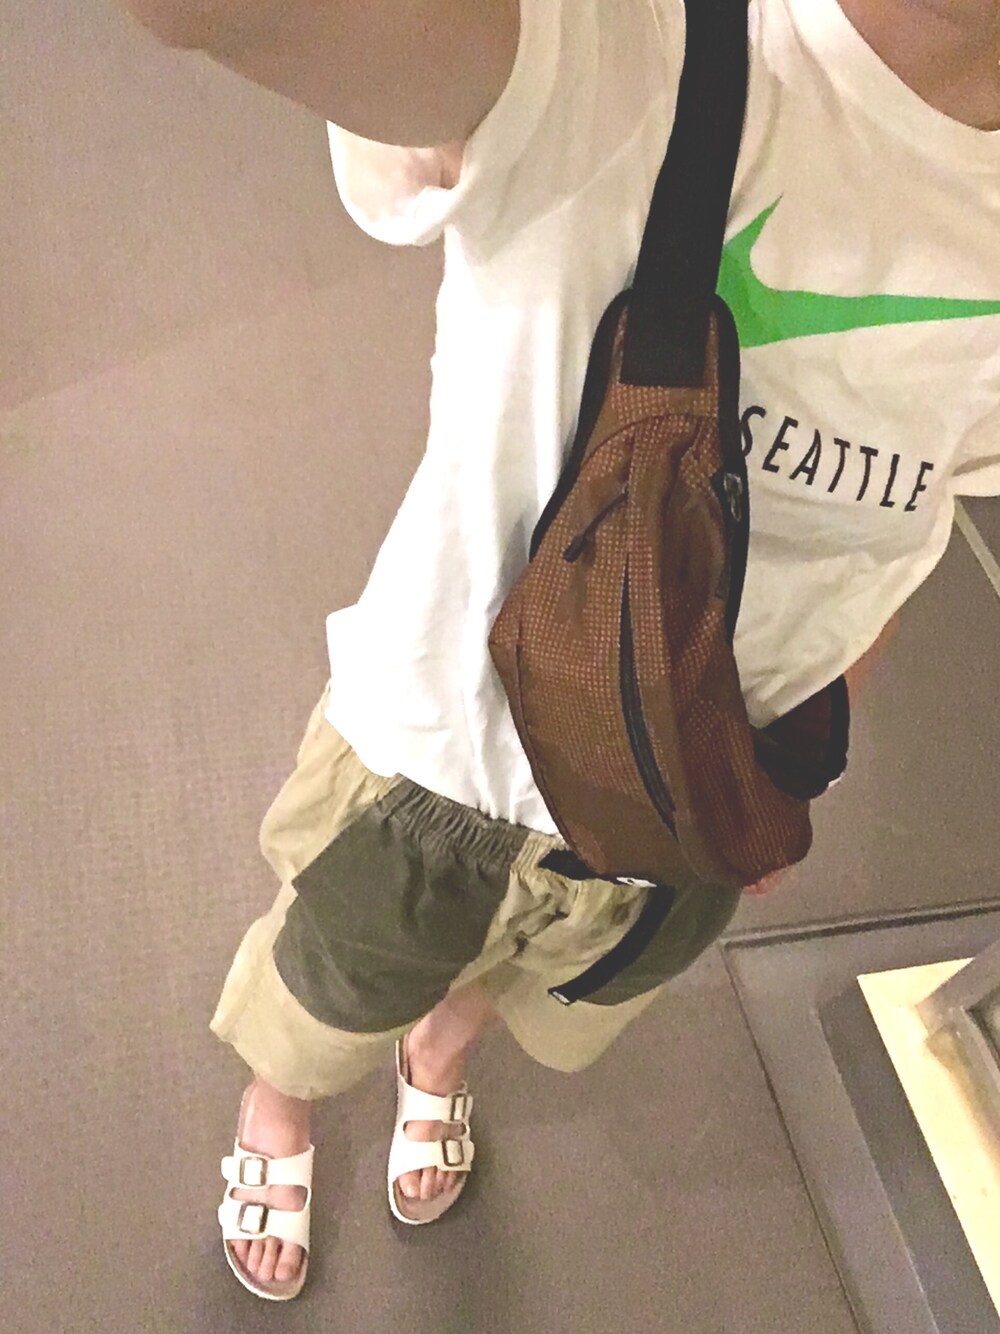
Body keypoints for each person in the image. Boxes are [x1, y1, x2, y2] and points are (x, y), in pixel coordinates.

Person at [123, 0, 1000, 1302]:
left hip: (685, 811)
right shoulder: (626, 37)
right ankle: (281, 1104)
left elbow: (898, 533)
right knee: (331, 980)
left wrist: (793, 761)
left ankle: (439, 1053)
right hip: (444, 764)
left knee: (543, 985)